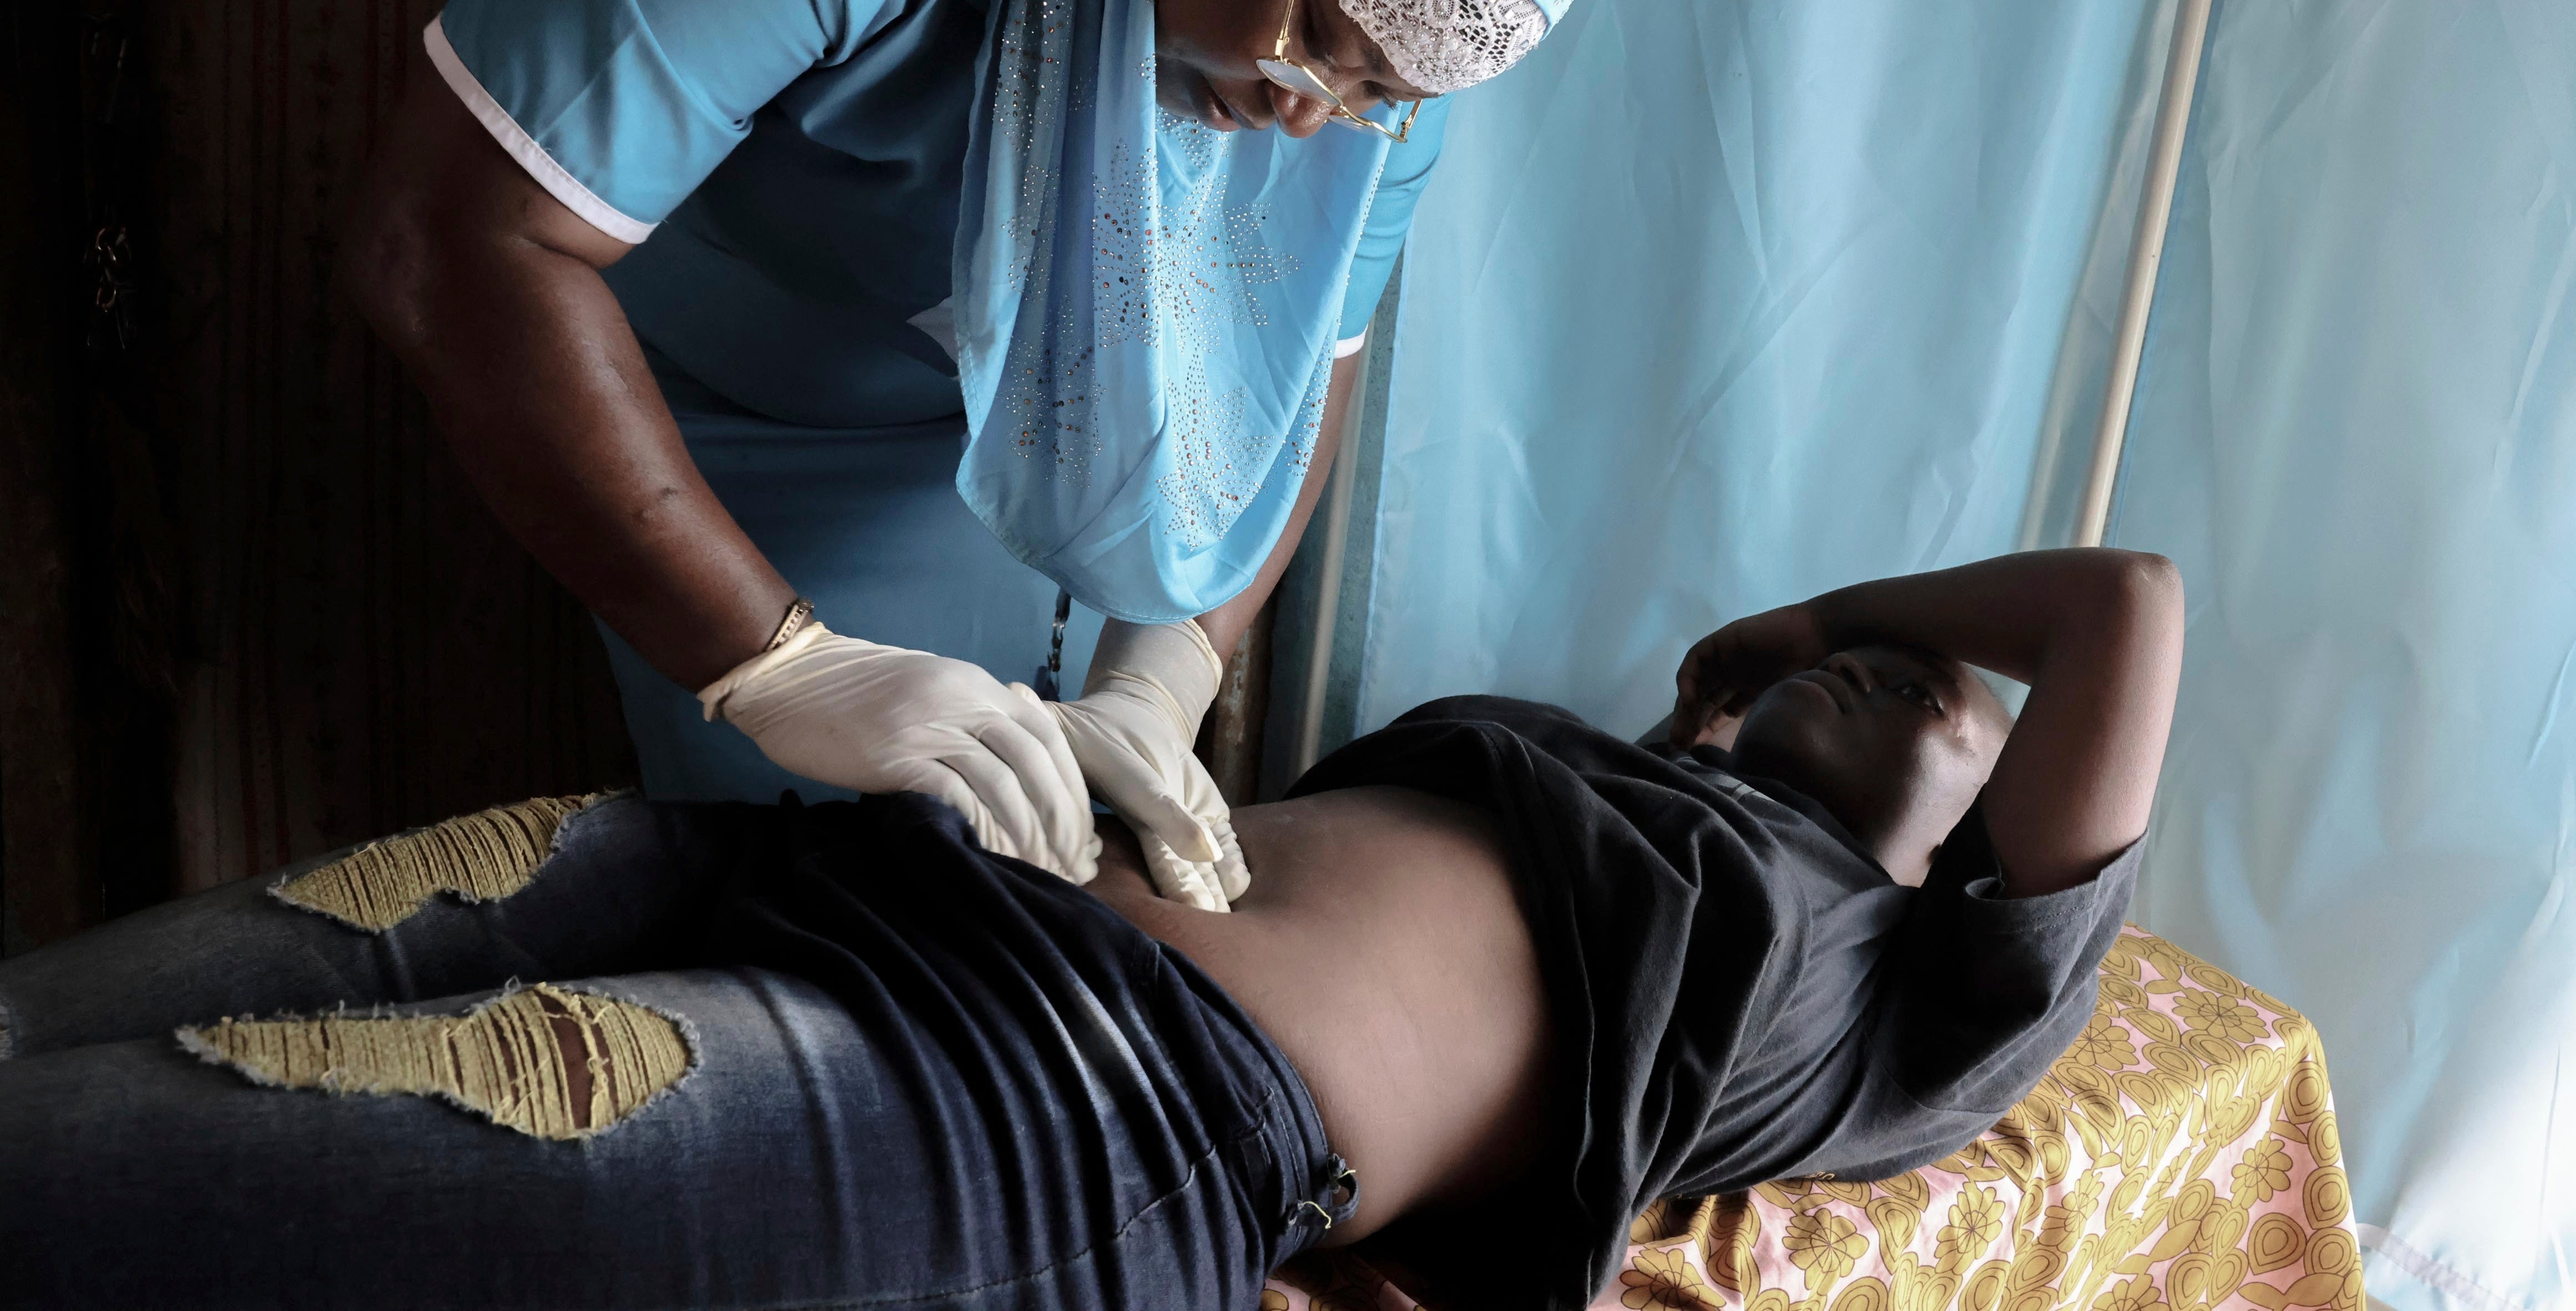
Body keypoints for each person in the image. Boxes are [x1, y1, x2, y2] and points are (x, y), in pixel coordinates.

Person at [342, 0, 1620, 897]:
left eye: (1375, 98)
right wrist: (776, 662)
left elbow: (1306, 370)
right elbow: (446, 243)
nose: (1308, 118)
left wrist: (1168, 667)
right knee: (828, 880)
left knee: (1051, 871)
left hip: (1024, 438)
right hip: (719, 399)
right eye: (1313, 37)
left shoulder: (1386, 55)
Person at [0, 548, 2176, 1311]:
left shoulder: (1908, 1007)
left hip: (1042, 1099)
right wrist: (1749, 695)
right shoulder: (1615, 781)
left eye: (1959, 716)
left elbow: (2123, 604)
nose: (1925, 680)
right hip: (843, 865)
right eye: (1890, 661)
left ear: (1986, 874)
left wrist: (1821, 617)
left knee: (78, 1173)